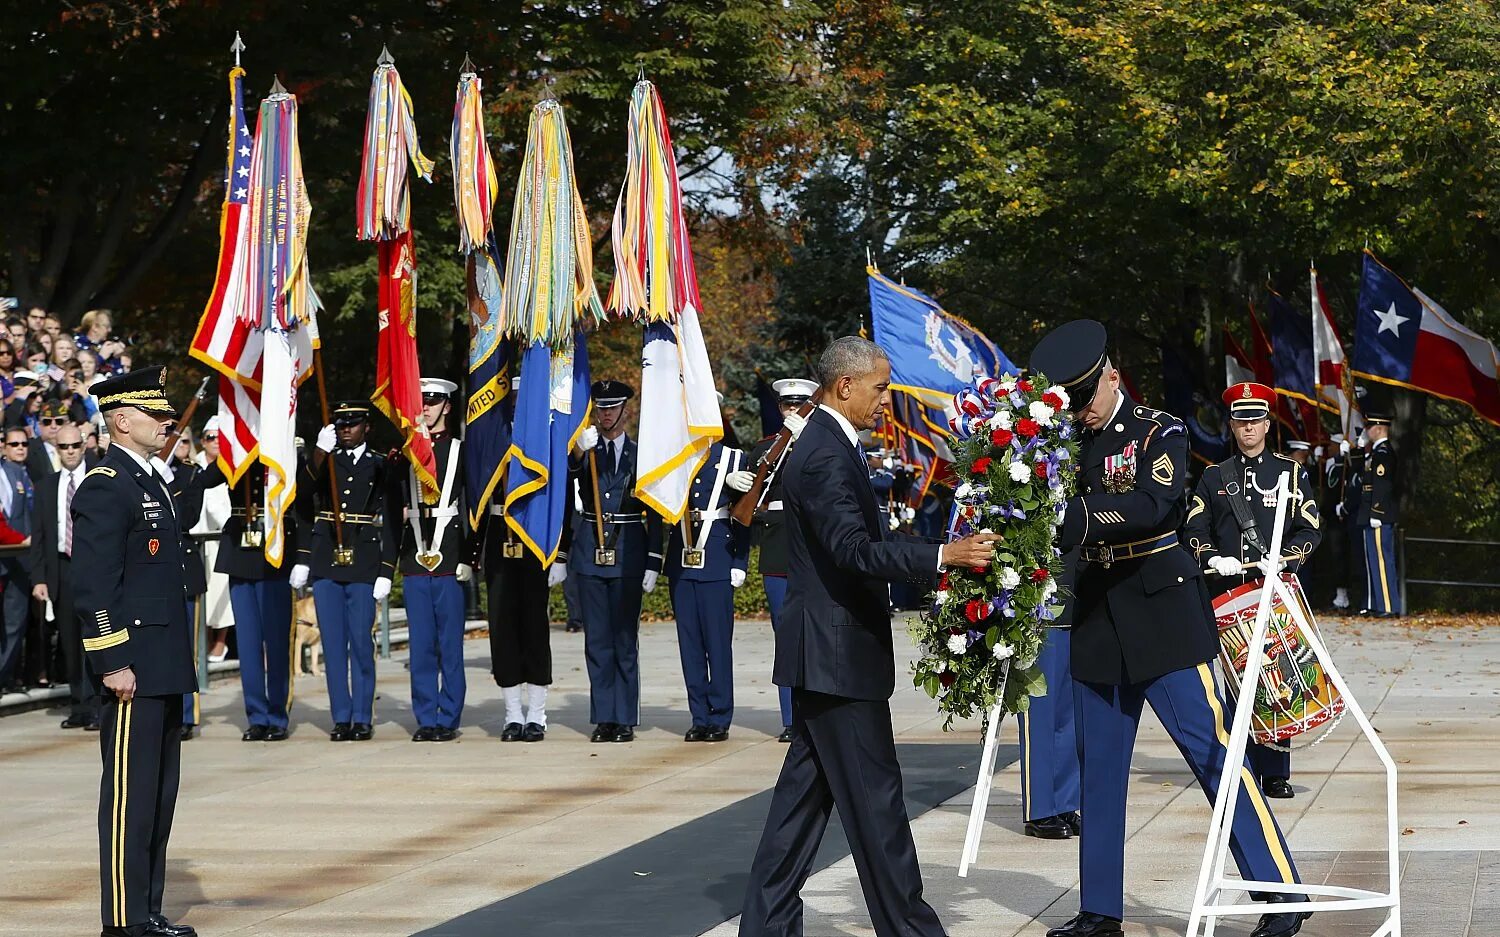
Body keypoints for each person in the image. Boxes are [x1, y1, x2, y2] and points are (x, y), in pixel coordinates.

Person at [1030, 321, 1309, 937]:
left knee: (1215, 757)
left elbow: (1149, 508)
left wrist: (1070, 516)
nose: (1080, 412)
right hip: (1101, 618)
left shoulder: (1161, 430)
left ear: (1111, 375)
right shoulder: (1065, 445)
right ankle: (1100, 910)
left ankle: (1281, 894)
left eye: (1086, 397)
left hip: (1163, 615)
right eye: (1069, 402)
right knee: (1099, 773)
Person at [739, 336, 998, 937]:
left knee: (801, 809)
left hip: (826, 655)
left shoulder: (829, 444)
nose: (887, 399)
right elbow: (852, 551)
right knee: (877, 807)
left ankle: (766, 927)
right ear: (845, 386)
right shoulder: (827, 453)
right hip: (836, 657)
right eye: (881, 388)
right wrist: (944, 554)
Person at [71, 365, 198, 937]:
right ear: (122, 420)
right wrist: (111, 659)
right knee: (129, 797)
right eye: (155, 413)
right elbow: (95, 585)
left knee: (158, 799)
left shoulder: (149, 480)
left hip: (164, 660)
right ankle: (122, 921)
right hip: (133, 665)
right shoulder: (106, 483)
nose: (166, 421)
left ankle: (147, 910)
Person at [1182, 382, 1321, 800]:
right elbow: (1194, 527)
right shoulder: (1212, 476)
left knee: (1279, 677)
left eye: (1256, 421)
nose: (1248, 429)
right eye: (1241, 422)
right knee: (1238, 678)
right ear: (1232, 426)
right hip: (1228, 591)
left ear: (1266, 425)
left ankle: (1276, 771)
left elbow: (1310, 527)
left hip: (1272, 588)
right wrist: (1210, 558)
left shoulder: (1289, 473)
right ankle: (1240, 765)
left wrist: (1287, 558)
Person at [557, 380, 664, 744]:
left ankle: (625, 717)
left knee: (623, 639)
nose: (605, 413)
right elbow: (564, 484)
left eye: (612, 407)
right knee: (597, 641)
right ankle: (604, 717)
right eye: (601, 407)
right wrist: (575, 456)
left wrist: (653, 559)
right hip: (590, 551)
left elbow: (655, 511)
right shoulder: (585, 452)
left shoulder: (641, 454)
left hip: (630, 551)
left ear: (626, 411)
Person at [293, 401, 396, 742]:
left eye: (352, 423)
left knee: (360, 644)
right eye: (341, 424)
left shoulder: (380, 464)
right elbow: (303, 497)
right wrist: (319, 454)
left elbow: (393, 517)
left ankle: (362, 715)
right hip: (326, 561)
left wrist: (386, 568)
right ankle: (341, 716)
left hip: (364, 561)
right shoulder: (325, 461)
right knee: (334, 645)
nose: (346, 429)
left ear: (366, 426)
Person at [726, 377, 814, 742]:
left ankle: (815, 716)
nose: (791, 411)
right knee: (785, 635)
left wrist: (801, 442)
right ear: (779, 408)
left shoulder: (819, 444)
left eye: (798, 405)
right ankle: (791, 719)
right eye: (786, 405)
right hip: (778, 551)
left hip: (811, 550)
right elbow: (751, 508)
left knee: (814, 634)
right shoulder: (765, 448)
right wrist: (737, 487)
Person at [390, 378, 473, 742]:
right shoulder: (405, 450)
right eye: (421, 400)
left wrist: (471, 556)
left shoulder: (461, 450)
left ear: (447, 407)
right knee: (421, 645)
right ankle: (426, 717)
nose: (425, 406)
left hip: (450, 557)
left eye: (434, 400)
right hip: (414, 558)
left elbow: (474, 507)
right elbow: (393, 508)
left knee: (449, 646)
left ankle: (449, 717)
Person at [195, 456, 295, 742]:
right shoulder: (235, 451)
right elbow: (207, 479)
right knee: (249, 645)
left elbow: (301, 500)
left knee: (275, 642)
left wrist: (302, 557)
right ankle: (257, 717)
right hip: (240, 553)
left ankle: (277, 714)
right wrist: (231, 452)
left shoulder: (283, 448)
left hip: (275, 550)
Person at [665, 435, 748, 742]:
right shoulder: (673, 455)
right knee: (690, 646)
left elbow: (744, 514)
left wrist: (740, 560)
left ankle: (720, 716)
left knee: (717, 644)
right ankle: (699, 717)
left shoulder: (732, 459)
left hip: (716, 559)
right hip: (682, 560)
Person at [484, 375, 553, 741]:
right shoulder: (492, 435)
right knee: (503, 629)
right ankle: (512, 714)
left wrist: (562, 551)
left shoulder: (543, 434)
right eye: (511, 398)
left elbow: (558, 497)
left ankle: (537, 715)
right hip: (498, 536)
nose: (515, 403)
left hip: (534, 537)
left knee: (534, 629)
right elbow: (474, 493)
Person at [31, 423, 100, 729]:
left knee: (96, 638)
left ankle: (100, 705)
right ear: (56, 450)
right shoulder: (47, 485)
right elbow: (40, 536)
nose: (70, 452)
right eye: (63, 447)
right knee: (70, 642)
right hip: (61, 568)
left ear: (84, 445)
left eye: (74, 446)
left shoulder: (100, 477)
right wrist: (40, 578)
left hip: (96, 567)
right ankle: (79, 706)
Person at [164, 432, 208, 741]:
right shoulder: (137, 471)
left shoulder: (191, 473)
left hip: (182, 568)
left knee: (185, 650)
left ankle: (185, 715)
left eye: (180, 440)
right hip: (148, 572)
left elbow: (188, 518)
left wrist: (168, 484)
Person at [191, 419, 233, 661]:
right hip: (198, 538)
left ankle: (220, 643)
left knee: (220, 595)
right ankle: (202, 642)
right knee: (201, 594)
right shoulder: (195, 466)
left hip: (219, 538)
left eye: (219, 437)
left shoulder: (229, 466)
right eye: (210, 437)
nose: (215, 442)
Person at [0, 426, 35, 693]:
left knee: (15, 621)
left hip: (22, 559)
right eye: (14, 444)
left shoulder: (25, 474)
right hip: (8, 553)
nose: (19, 448)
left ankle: (5, 676)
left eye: (24, 443)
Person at [1357, 412, 1401, 617]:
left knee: (1383, 561)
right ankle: (1376, 603)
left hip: (1379, 515)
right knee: (1373, 561)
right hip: (1370, 514)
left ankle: (1389, 606)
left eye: (1369, 427)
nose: (1367, 431)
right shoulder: (1375, 453)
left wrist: (1377, 511)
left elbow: (1382, 485)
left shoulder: (1383, 453)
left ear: (1378, 428)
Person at [27, 398, 69, 479]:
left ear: (67, 424)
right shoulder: (29, 451)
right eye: (47, 422)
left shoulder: (77, 447)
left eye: (59, 421)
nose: (53, 426)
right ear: (39, 425)